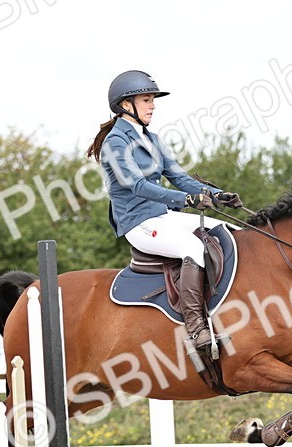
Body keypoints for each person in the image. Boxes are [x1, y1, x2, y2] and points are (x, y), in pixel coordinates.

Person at [86, 70, 243, 359]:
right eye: (146, 100)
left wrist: (216, 194)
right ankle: (196, 330)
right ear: (126, 105)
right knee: (192, 248)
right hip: (138, 222)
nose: (153, 106)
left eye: (152, 100)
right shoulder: (115, 143)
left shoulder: (153, 139)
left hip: (162, 215)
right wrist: (186, 200)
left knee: (227, 231)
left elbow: (179, 177)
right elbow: (138, 185)